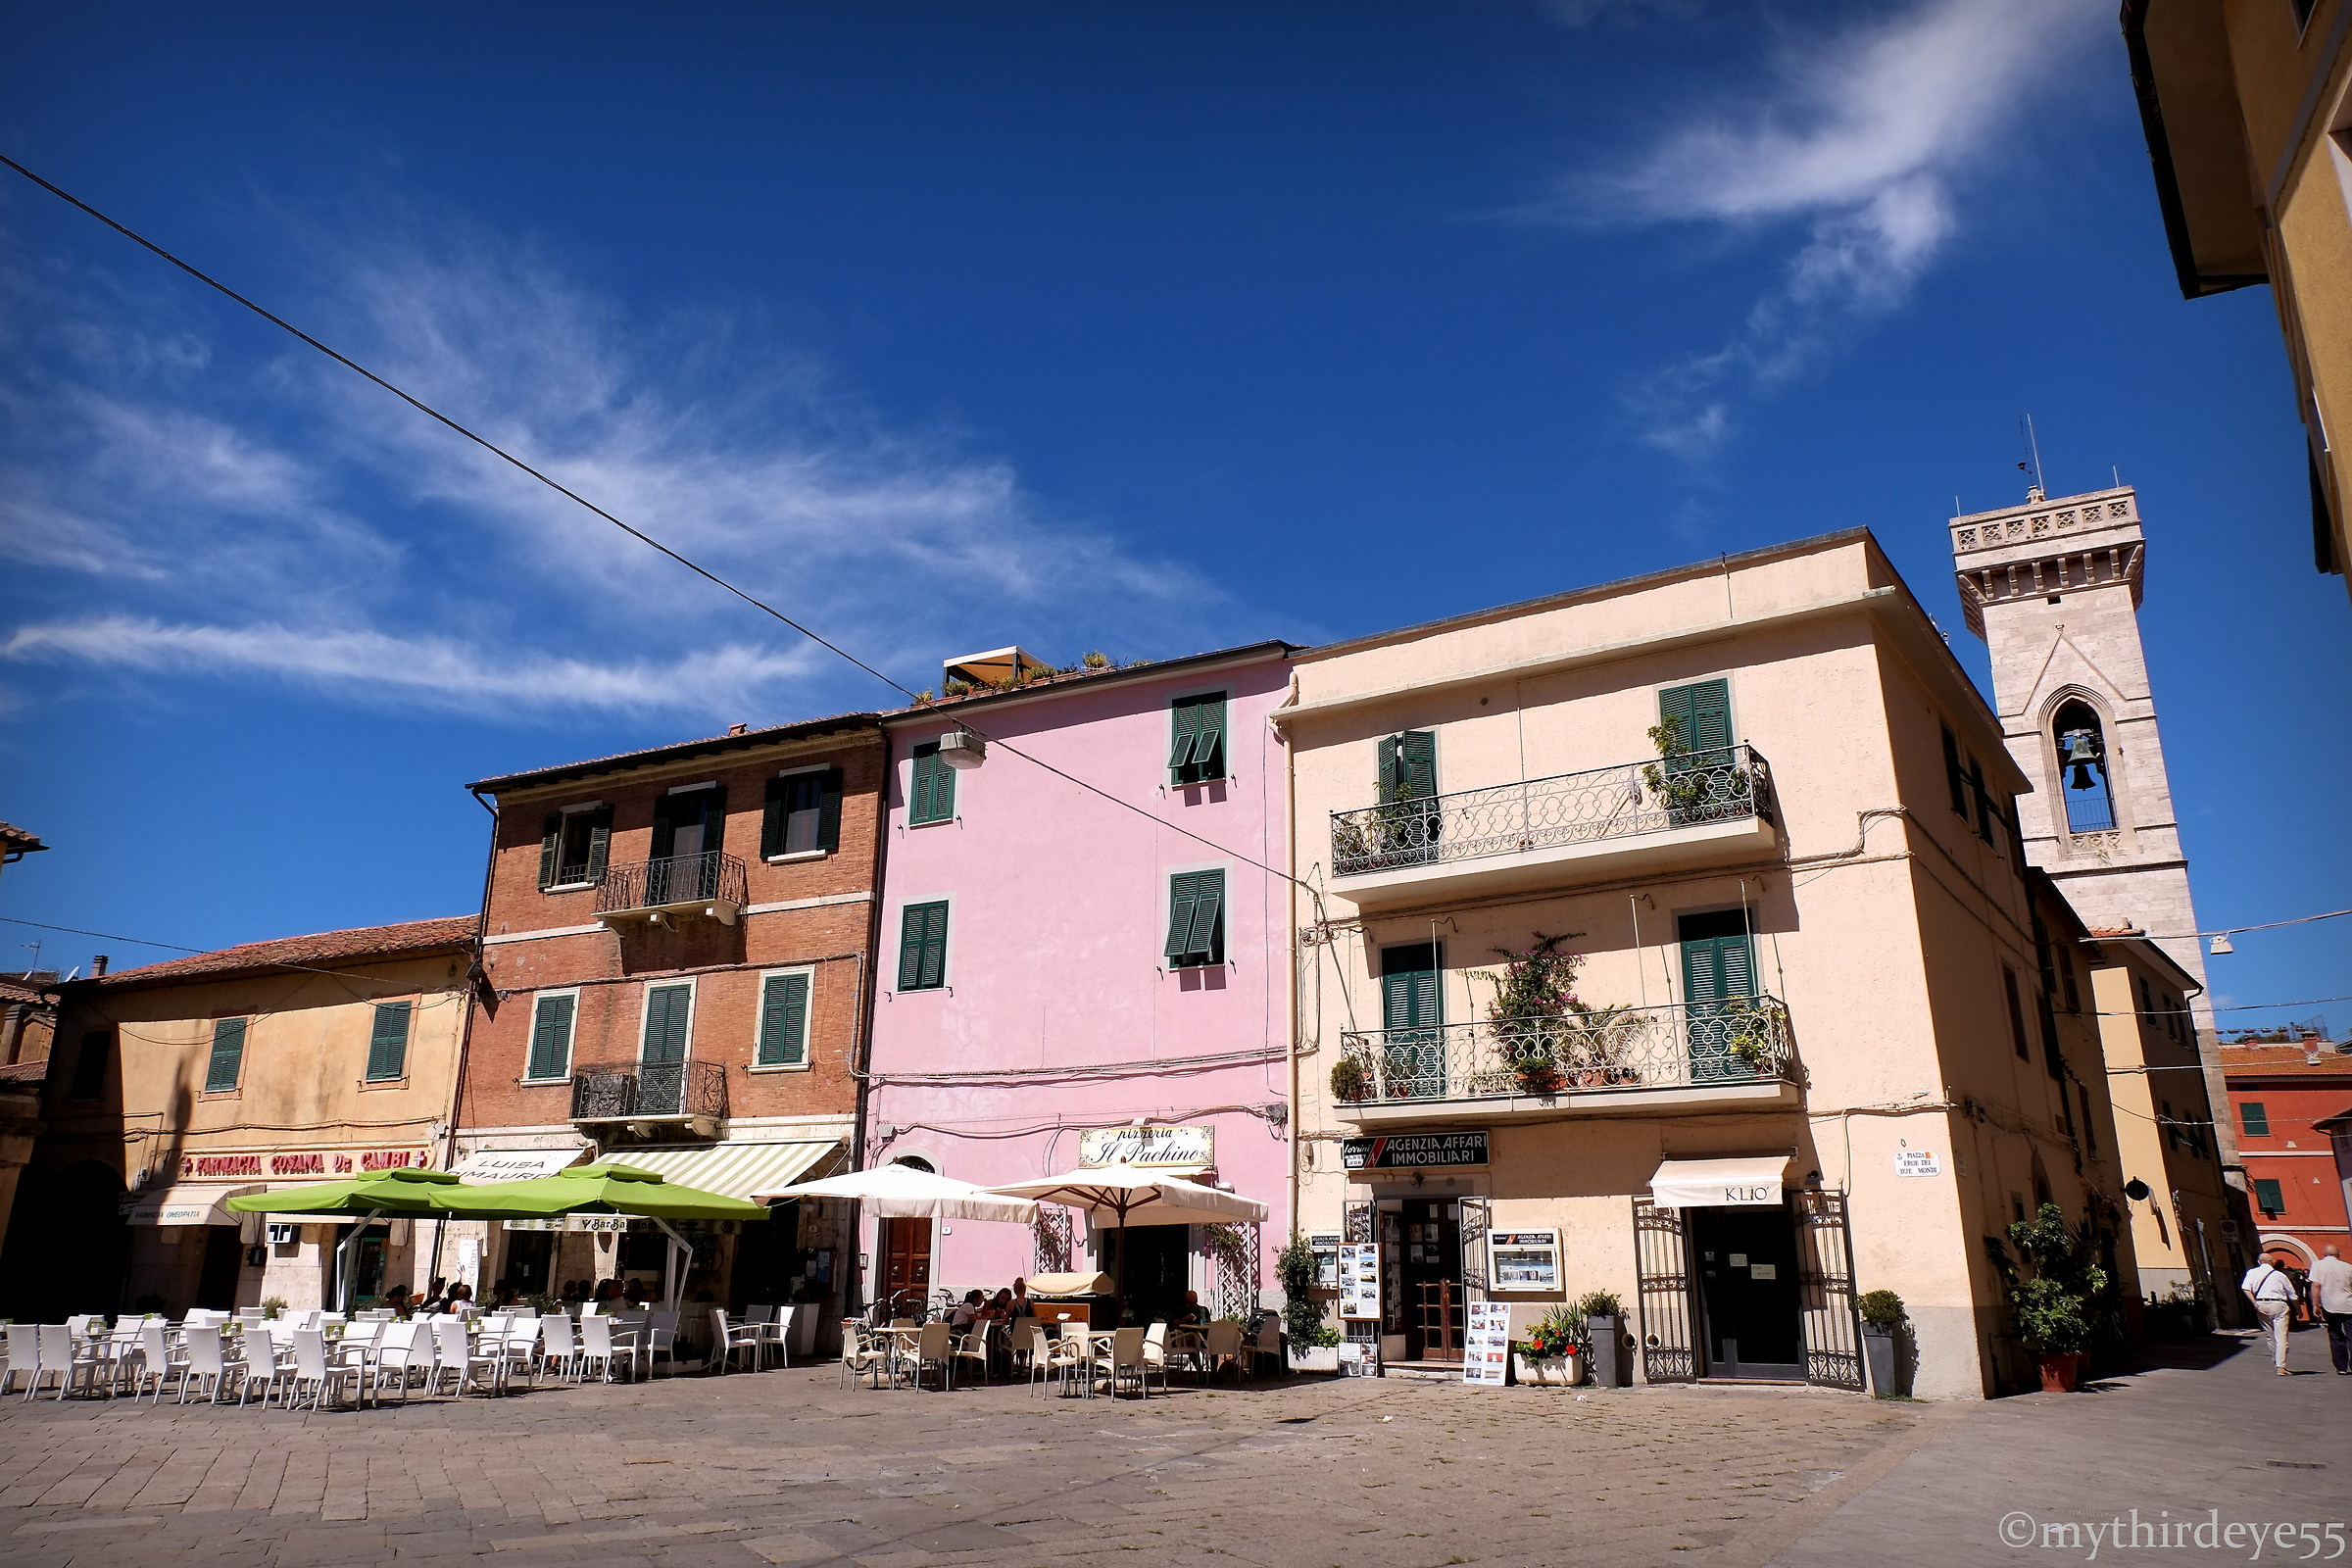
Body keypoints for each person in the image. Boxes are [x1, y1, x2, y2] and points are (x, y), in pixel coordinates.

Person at [2243, 1252, 2302, 1375]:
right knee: (2281, 1337)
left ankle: (2276, 1362)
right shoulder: (2279, 1275)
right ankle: (2281, 1366)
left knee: (2270, 1336)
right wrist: (2298, 1309)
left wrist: (2255, 1304)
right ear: (2272, 1262)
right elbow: (2292, 1295)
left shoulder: (2252, 1273)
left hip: (2261, 1304)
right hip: (2278, 1304)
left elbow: (2246, 1288)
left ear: (2259, 1262)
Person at [2311, 1244, 2352, 1377]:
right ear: (2338, 1255)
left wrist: (2315, 1305)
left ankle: (2341, 1366)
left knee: (2335, 1334)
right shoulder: (2348, 1267)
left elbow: (2316, 1285)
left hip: (2330, 1305)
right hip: (2348, 1304)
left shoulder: (2318, 1265)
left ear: (2324, 1254)